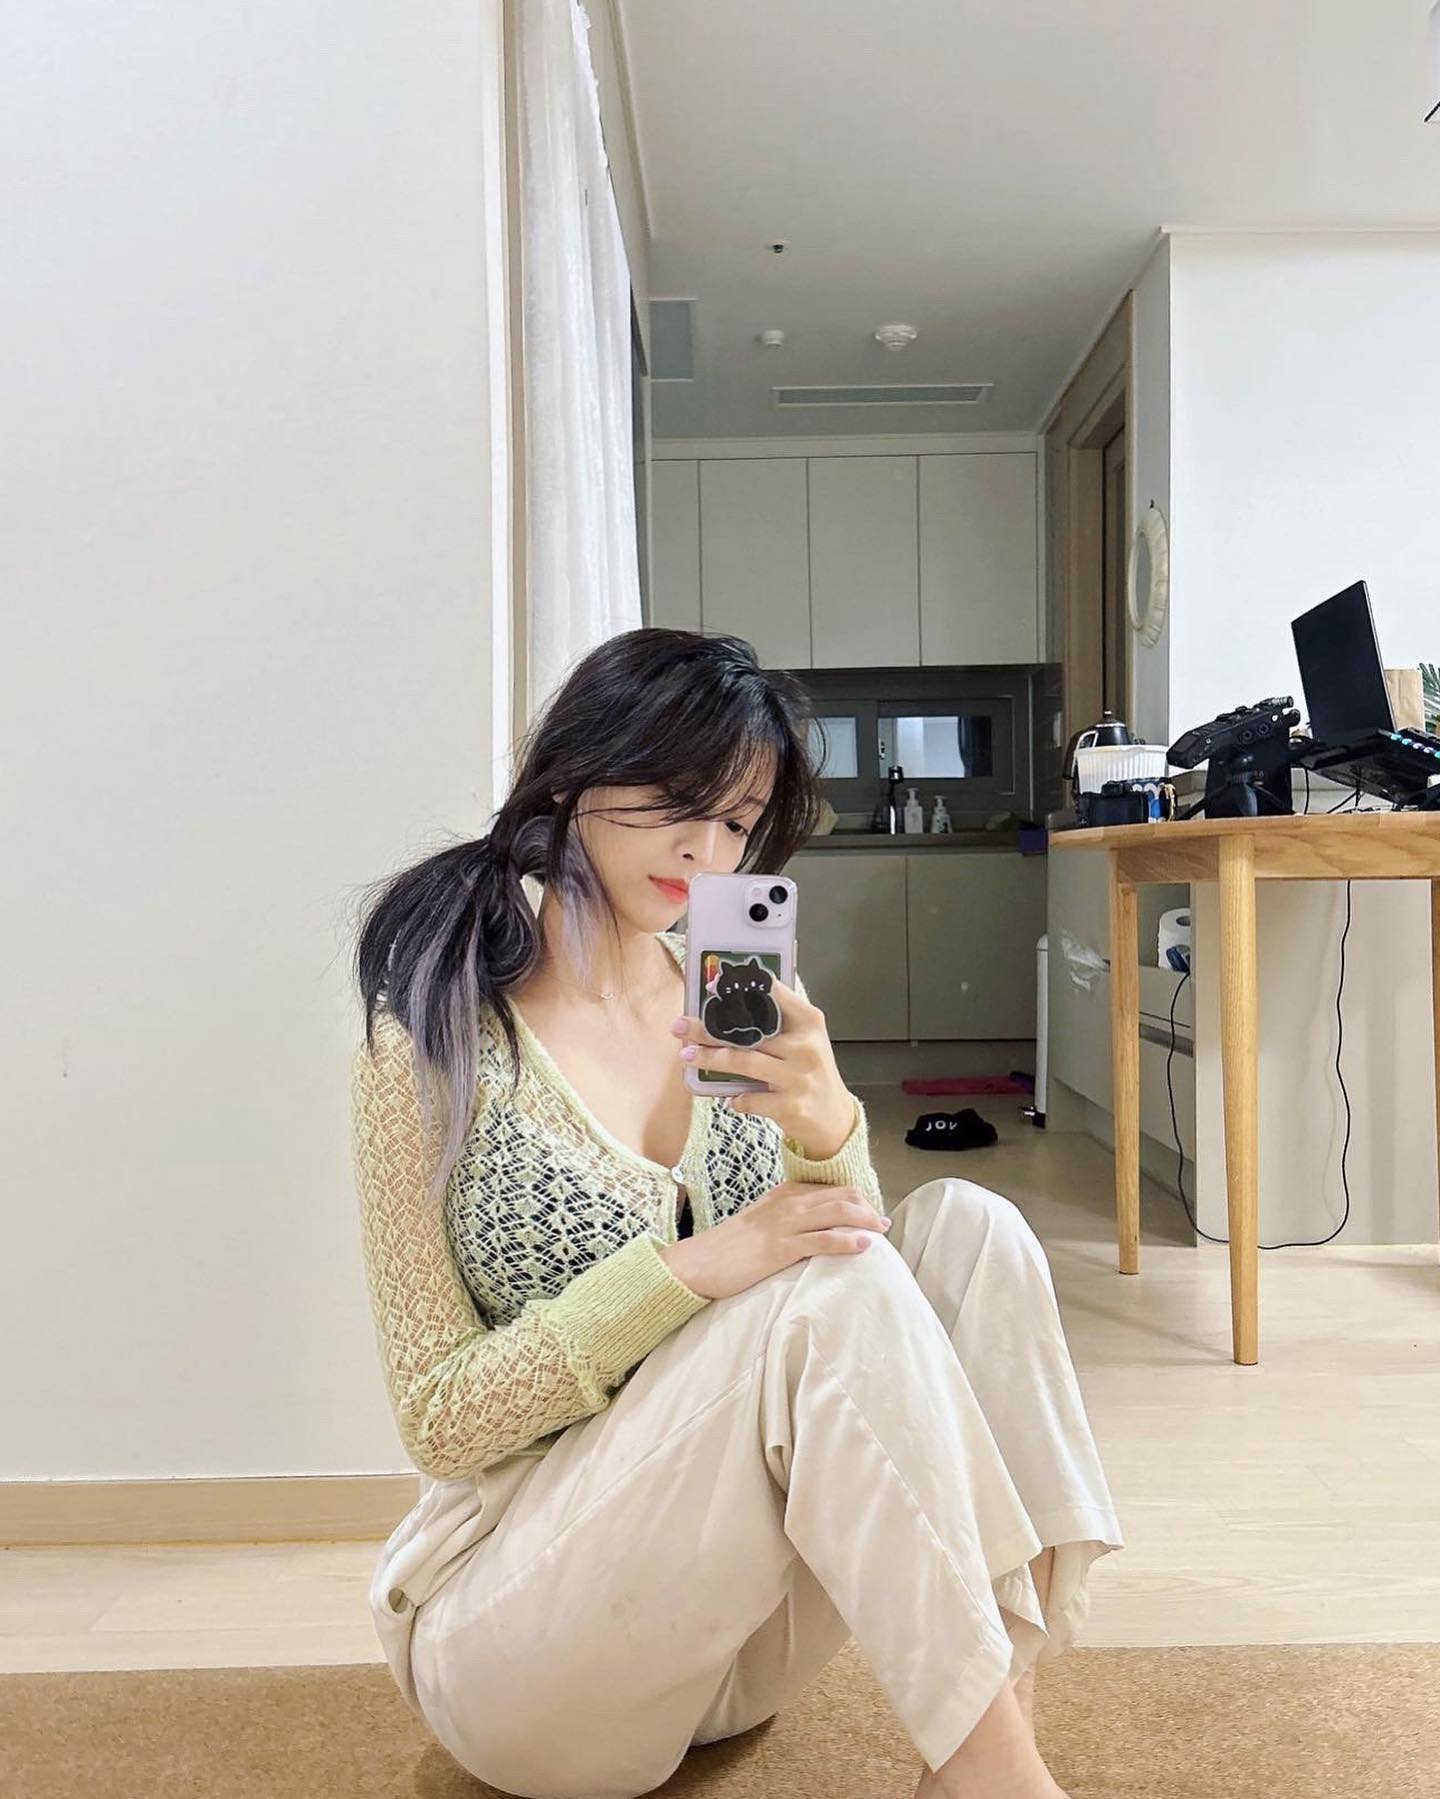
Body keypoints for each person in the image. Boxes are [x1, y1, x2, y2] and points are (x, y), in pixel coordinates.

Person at [349, 627, 1125, 1799]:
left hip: (727, 1643)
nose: (706, 851)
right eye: (676, 803)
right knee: (822, 1291)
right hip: (522, 1644)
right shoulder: (435, 1042)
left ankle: (992, 1732)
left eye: (738, 820)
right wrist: (693, 1266)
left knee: (975, 1229)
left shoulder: (739, 994)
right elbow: (439, 1417)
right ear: (571, 777)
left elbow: (859, 1306)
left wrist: (827, 1124)